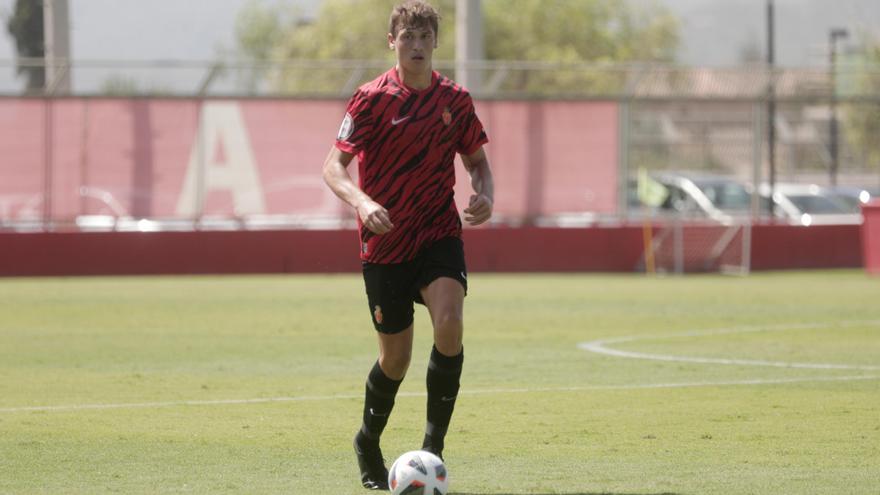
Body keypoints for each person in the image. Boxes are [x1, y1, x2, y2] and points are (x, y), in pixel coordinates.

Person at [321, 0, 494, 490]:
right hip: (386, 242)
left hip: (438, 233)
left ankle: (432, 450)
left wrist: (486, 194)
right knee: (395, 359)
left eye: (424, 36)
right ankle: (367, 440)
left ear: (435, 43)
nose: (416, 44)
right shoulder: (370, 99)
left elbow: (477, 160)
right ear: (392, 42)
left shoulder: (455, 101)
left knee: (451, 324)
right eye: (407, 36)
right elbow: (333, 168)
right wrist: (361, 202)